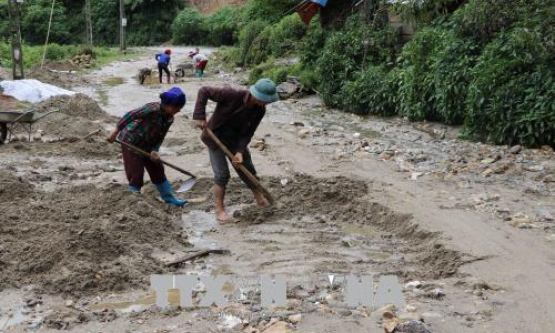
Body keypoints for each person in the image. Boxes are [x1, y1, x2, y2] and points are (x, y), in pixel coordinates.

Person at [193, 79, 279, 222]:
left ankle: (260, 199)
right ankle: (219, 210)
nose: (266, 104)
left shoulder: (260, 110)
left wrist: (239, 151)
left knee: (248, 169)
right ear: (256, 95)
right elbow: (204, 91)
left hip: (235, 141)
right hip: (215, 138)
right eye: (265, 100)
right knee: (222, 175)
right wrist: (200, 116)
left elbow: (248, 133)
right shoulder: (232, 94)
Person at [107, 87, 187, 207]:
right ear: (167, 104)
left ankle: (170, 199)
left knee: (158, 169)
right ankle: (134, 201)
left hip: (148, 145)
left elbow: (161, 135)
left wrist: (155, 150)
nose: (179, 110)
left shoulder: (169, 118)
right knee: (136, 172)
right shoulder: (152, 109)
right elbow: (131, 115)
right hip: (131, 142)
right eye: (177, 107)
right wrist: (116, 131)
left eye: (180, 108)